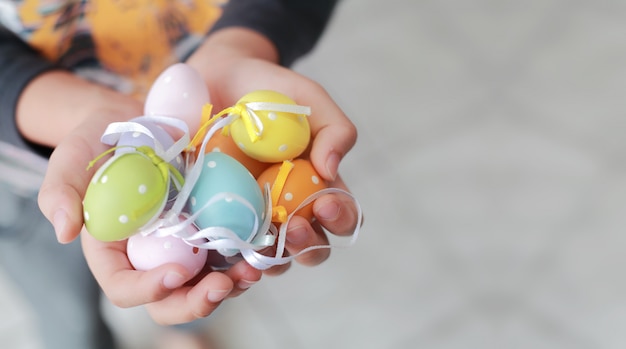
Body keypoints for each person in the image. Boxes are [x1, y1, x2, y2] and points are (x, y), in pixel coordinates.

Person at [0, 0, 359, 348]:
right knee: (67, 312)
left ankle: (185, 333)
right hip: (26, 174)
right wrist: (78, 110)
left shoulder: (212, 163)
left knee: (203, 273)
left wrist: (240, 44)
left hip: (214, 104)